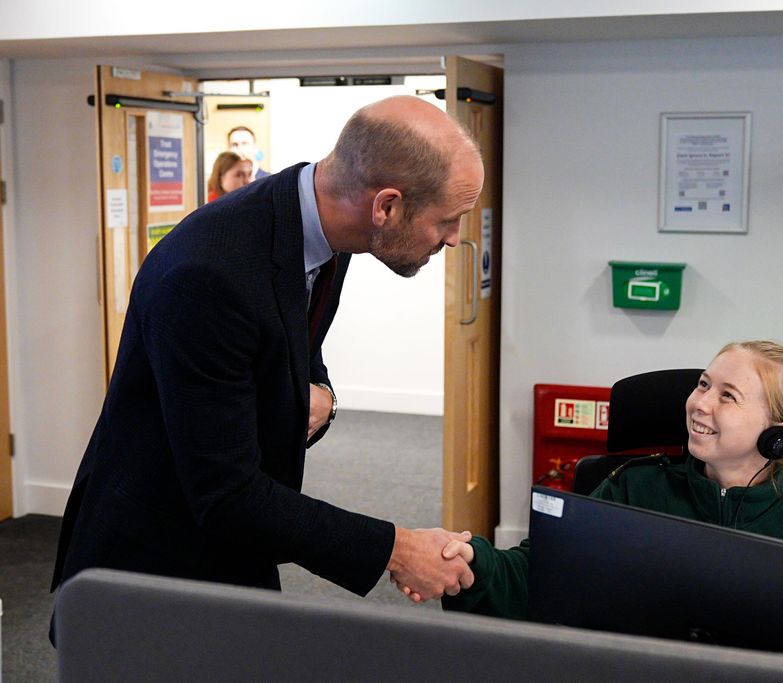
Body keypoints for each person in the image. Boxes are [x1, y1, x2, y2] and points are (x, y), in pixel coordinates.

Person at [50, 96, 484, 636]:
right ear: (387, 207)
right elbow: (226, 493)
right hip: (149, 566)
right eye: (448, 220)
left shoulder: (333, 228)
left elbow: (291, 342)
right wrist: (397, 549)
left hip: (235, 541)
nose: (454, 239)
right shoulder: (209, 273)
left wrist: (320, 390)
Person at [434, 340, 783, 619]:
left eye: (727, 396)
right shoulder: (634, 489)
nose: (700, 404)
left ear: (779, 430)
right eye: (703, 384)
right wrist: (472, 563)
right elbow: (540, 573)